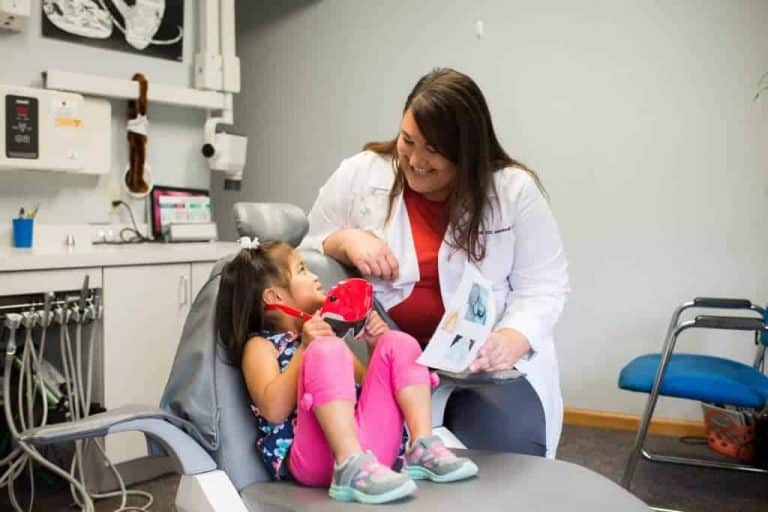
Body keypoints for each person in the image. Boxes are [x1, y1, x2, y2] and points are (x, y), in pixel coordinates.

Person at [301, 68, 570, 458]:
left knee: (508, 463)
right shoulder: (361, 174)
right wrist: (344, 240)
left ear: (467, 152)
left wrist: (512, 338)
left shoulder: (514, 192)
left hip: (482, 368)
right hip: (387, 361)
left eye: (433, 150)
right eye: (407, 141)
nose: (415, 160)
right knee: (374, 460)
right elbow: (307, 249)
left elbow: (544, 287)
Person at [215, 238, 478, 505]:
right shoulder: (260, 346)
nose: (316, 276)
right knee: (326, 350)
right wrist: (305, 349)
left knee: (398, 343)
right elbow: (272, 410)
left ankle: (422, 447)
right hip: (313, 461)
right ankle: (348, 464)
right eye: (303, 270)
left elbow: (365, 389)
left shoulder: (328, 339)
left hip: (373, 456)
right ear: (274, 297)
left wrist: (375, 348)